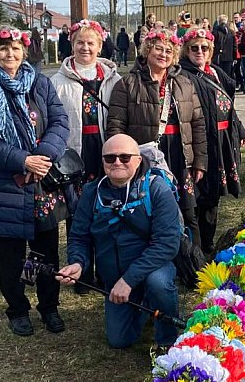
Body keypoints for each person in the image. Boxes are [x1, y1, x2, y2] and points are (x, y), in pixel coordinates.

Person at [0, 25, 70, 337]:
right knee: (10, 257)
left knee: (46, 252)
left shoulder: (40, 83)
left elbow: (60, 121)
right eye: (3, 49)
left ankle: (49, 307)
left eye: (15, 48)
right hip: (4, 186)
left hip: (41, 184)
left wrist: (44, 156)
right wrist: (23, 161)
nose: (10, 54)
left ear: (24, 51)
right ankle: (17, 309)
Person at [57, 134, 182, 350]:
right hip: (114, 278)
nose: (117, 162)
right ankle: (144, 305)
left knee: (158, 284)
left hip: (152, 269)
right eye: (110, 158)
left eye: (125, 157)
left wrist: (129, 280)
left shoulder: (157, 189)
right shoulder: (91, 192)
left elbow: (167, 244)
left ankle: (167, 340)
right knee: (119, 340)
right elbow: (79, 236)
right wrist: (78, 263)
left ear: (138, 160)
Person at [106, 28, 207, 253]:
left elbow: (198, 124)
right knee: (150, 211)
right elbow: (116, 126)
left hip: (180, 155)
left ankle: (194, 263)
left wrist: (199, 161)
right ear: (147, 50)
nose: (163, 54)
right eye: (158, 49)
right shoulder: (127, 84)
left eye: (169, 50)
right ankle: (151, 262)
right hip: (145, 157)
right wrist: (122, 161)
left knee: (189, 211)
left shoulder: (184, 83)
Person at [50, 20, 122, 296]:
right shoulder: (58, 81)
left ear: (100, 46)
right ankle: (81, 271)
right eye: (80, 42)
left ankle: (107, 270)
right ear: (72, 44)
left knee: (107, 208)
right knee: (77, 210)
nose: (85, 47)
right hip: (75, 153)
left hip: (105, 149)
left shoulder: (112, 79)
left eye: (91, 42)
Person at [178, 27, 245, 255]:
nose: (199, 52)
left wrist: (239, 129)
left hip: (223, 140)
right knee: (198, 193)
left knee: (215, 192)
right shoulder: (183, 75)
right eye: (194, 48)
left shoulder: (216, 72)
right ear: (186, 50)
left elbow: (230, 107)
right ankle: (194, 246)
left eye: (204, 48)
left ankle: (208, 242)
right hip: (202, 140)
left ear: (211, 51)